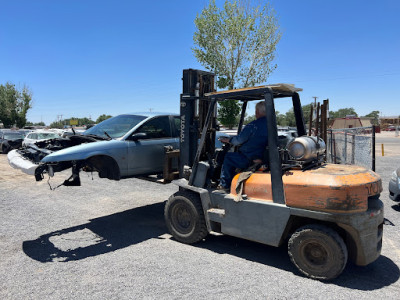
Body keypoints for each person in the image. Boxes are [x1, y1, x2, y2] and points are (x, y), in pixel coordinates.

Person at [218, 101, 268, 191]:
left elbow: (238, 140)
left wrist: (228, 140)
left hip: (249, 158)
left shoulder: (253, 125)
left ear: (257, 111)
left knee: (228, 157)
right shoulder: (271, 125)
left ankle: (224, 185)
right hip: (263, 157)